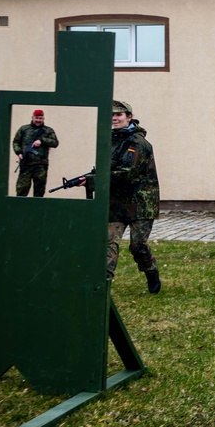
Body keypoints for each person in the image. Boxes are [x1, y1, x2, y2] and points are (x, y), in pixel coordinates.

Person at [81, 100, 161, 293]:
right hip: (117, 202)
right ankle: (103, 284)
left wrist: (94, 180)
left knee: (138, 246)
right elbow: (104, 168)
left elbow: (127, 172)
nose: (114, 118)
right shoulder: (109, 140)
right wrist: (90, 177)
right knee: (108, 241)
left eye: (119, 115)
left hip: (141, 203)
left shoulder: (138, 143)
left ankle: (151, 271)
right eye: (112, 115)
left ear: (129, 117)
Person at [12, 109, 59, 197]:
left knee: (39, 191)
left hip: (41, 165)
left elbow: (55, 143)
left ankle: (37, 210)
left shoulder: (48, 130)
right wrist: (19, 153)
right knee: (21, 190)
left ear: (43, 119)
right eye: (36, 118)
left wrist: (42, 141)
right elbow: (16, 142)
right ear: (32, 117)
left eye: (40, 118)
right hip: (26, 164)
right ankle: (19, 209)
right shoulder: (24, 129)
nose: (38, 120)